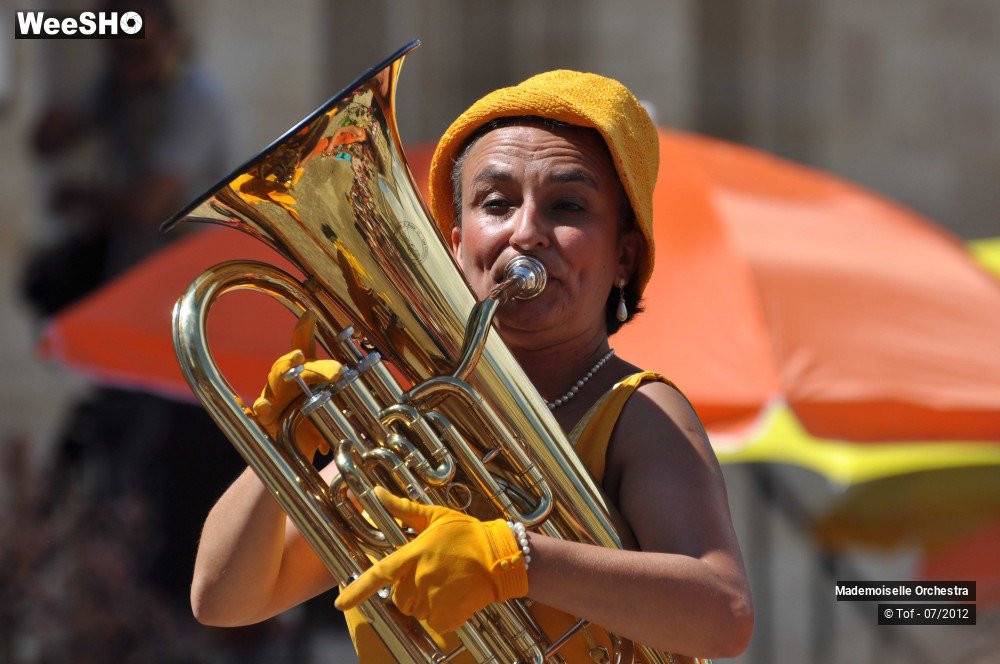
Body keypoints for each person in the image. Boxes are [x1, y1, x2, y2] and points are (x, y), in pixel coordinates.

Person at [190, 70, 754, 662]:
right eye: (496, 203)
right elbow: (223, 600)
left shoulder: (639, 412)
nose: (526, 232)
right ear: (455, 246)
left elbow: (724, 614)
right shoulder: (406, 433)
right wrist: (280, 449)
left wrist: (512, 559)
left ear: (624, 255)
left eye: (567, 205)